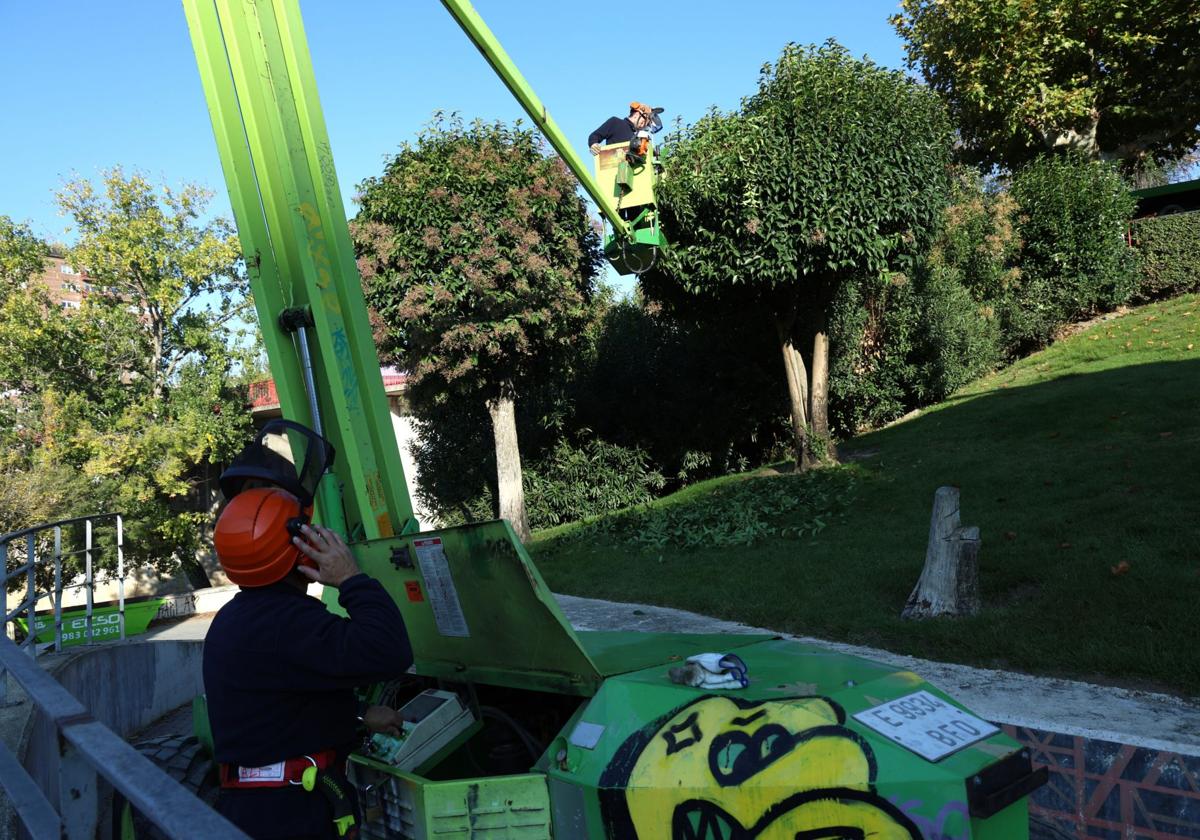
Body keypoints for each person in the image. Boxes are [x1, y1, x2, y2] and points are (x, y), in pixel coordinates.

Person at [203, 436, 413, 839]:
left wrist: (358, 717)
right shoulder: (291, 623)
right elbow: (389, 650)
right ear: (301, 551)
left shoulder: (234, 621)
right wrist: (350, 577)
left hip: (255, 809)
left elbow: (282, 708)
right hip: (294, 815)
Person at [588, 101, 655, 155]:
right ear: (636, 114)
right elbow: (594, 136)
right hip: (613, 167)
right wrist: (593, 144)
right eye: (643, 121)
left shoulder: (637, 136)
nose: (643, 125)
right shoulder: (615, 123)